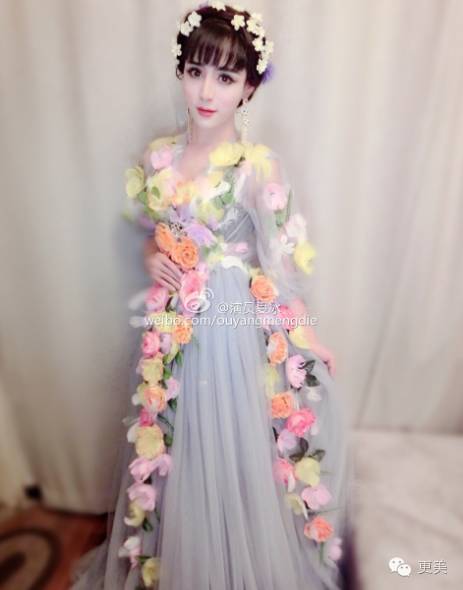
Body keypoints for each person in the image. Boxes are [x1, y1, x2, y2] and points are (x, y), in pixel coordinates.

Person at [70, 3, 351, 589]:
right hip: (174, 327)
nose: (206, 90)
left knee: (233, 449)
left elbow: (281, 266)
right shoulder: (158, 158)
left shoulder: (257, 167)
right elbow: (153, 232)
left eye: (225, 77)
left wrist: (308, 337)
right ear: (180, 70)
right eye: (196, 71)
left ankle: (235, 564)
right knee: (175, 446)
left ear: (248, 87)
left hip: (233, 330)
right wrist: (152, 255)